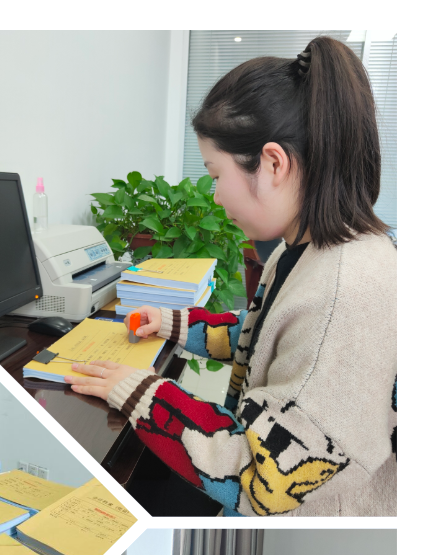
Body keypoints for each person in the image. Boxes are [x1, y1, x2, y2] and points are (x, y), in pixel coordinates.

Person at [66, 36, 396, 516]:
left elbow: (267, 482)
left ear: (273, 163)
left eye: (216, 175)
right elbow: (267, 335)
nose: (216, 195)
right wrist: (175, 324)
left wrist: (143, 393)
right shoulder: (306, 249)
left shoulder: (344, 294)